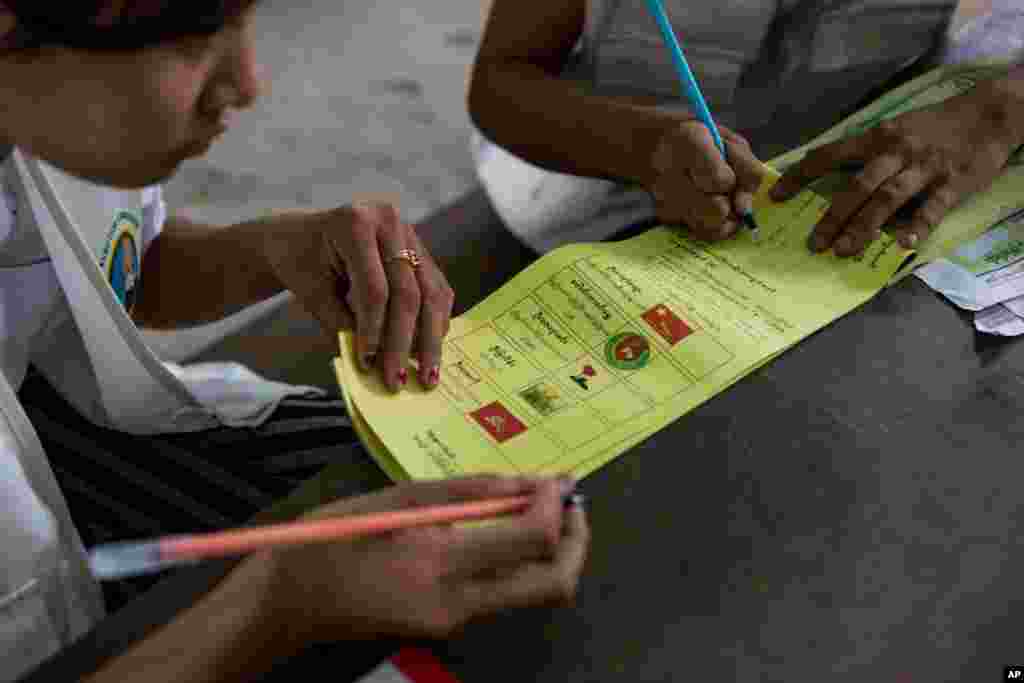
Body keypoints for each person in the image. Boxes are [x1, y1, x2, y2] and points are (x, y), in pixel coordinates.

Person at [0, 3, 589, 682]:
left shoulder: (46, 113)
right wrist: (283, 601)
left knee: (408, 488)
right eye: (197, 35)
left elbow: (111, 270)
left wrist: (272, 250)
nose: (250, 83)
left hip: (68, 440)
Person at [468, 0, 1024, 258]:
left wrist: (1001, 108)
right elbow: (502, 83)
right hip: (580, 197)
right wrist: (644, 147)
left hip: (836, 188)